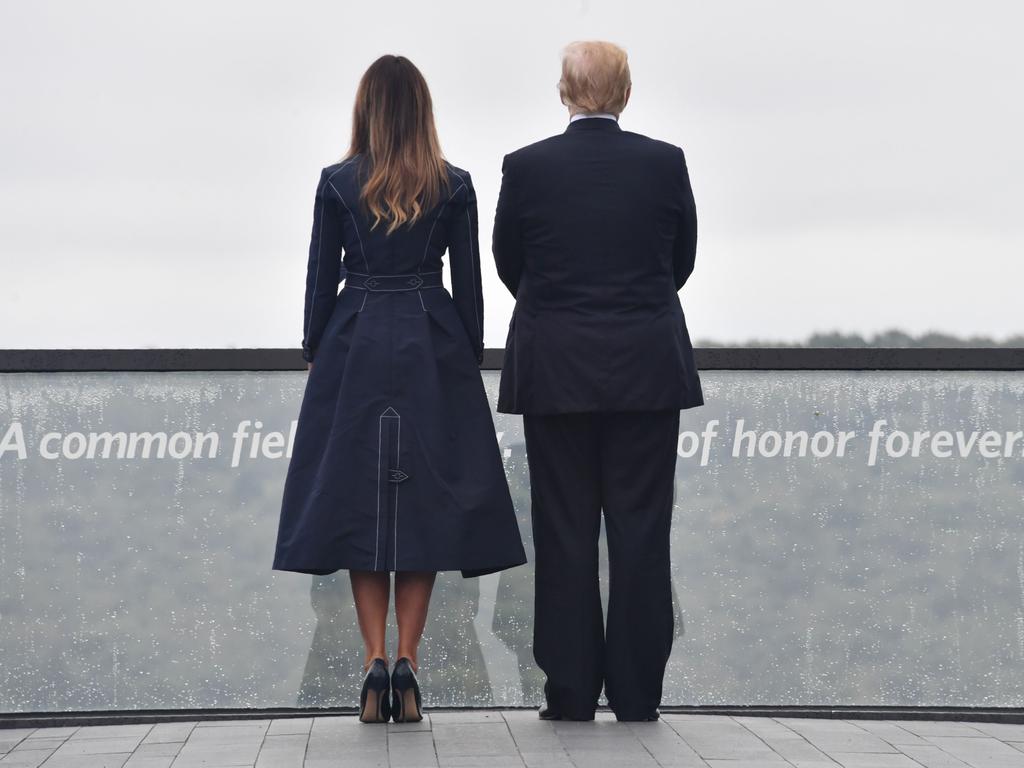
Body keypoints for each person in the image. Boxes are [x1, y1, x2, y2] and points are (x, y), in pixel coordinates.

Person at [273, 54, 527, 724]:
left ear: (366, 109)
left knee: (361, 505)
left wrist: (314, 350)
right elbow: (469, 288)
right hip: (430, 341)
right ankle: (409, 661)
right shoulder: (456, 184)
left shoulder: (335, 183)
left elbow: (318, 281)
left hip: (354, 341)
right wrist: (464, 352)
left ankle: (372, 662)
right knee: (420, 509)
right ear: (421, 111)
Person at [492, 40, 704, 722]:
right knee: (643, 532)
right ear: (626, 93)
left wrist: (558, 311)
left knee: (564, 533)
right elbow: (681, 261)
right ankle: (639, 694)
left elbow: (508, 262)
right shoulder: (663, 163)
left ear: (563, 91)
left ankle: (571, 691)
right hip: (646, 367)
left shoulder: (526, 168)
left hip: (555, 372)